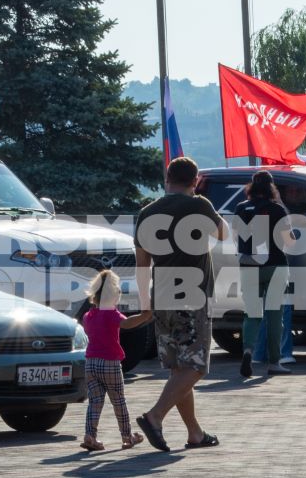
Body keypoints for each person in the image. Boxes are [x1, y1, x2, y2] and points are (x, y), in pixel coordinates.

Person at [132, 157, 227, 451]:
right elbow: (224, 233)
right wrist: (202, 202)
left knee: (179, 367)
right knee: (196, 366)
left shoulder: (147, 212)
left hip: (161, 295)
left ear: (168, 179)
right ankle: (155, 416)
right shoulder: (198, 205)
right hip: (192, 296)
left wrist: (145, 302)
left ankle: (194, 433)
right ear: (195, 180)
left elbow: (142, 263)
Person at [77, 270, 147, 452]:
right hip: (110, 363)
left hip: (91, 363)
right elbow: (127, 324)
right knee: (119, 401)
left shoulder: (88, 316)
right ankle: (127, 437)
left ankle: (90, 435)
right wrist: (145, 316)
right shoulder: (111, 314)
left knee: (95, 402)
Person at [234, 171, 291, 378]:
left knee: (251, 313)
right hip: (275, 265)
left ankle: (248, 351)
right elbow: (290, 240)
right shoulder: (277, 209)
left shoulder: (240, 208)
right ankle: (275, 362)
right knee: (275, 314)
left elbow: (237, 237)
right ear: (271, 188)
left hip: (248, 266)